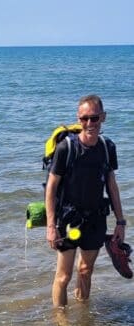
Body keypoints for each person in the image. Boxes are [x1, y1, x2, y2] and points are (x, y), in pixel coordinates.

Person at [45, 94, 126, 307]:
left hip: (95, 220)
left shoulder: (108, 148)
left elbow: (112, 186)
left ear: (103, 117)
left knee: (85, 271)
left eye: (94, 118)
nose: (89, 123)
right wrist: (51, 226)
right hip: (69, 220)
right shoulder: (67, 148)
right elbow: (51, 189)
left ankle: (83, 320)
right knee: (63, 277)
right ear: (78, 119)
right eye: (84, 118)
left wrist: (120, 221)